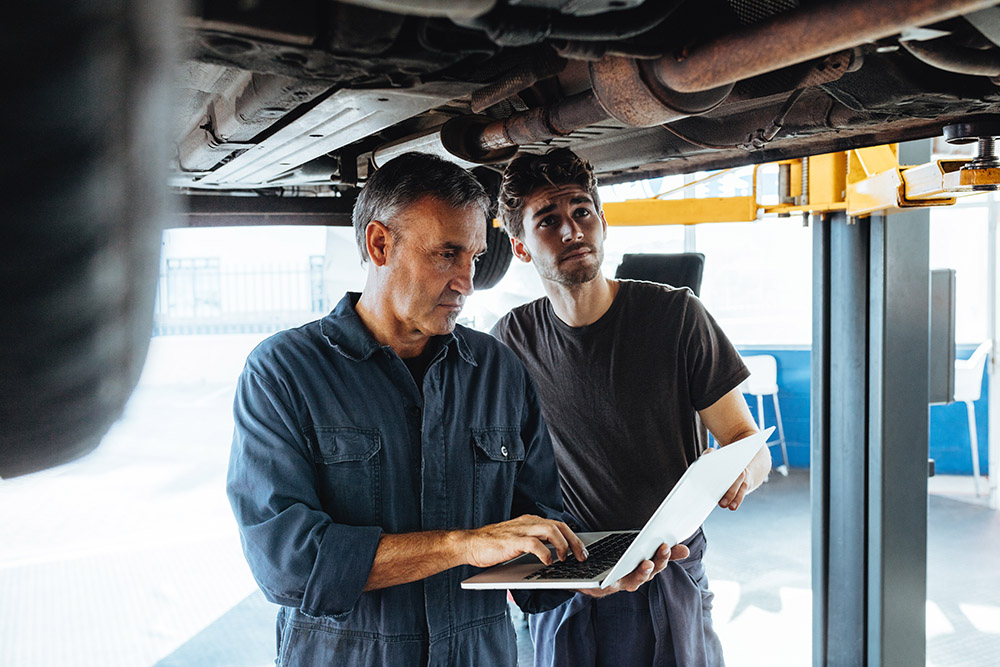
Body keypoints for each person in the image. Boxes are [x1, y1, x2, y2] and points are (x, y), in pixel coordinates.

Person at [226, 152, 683, 666]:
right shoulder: (284, 372)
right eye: (446, 254)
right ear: (379, 245)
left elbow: (533, 532)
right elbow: (286, 565)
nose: (467, 281)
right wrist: (461, 546)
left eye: (475, 257)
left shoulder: (498, 371)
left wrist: (585, 572)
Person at [492, 147, 771, 667]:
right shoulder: (512, 340)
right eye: (547, 220)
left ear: (603, 222)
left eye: (582, 211)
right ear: (521, 248)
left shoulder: (677, 316)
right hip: (574, 579)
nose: (571, 230)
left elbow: (747, 444)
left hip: (668, 567)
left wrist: (740, 474)